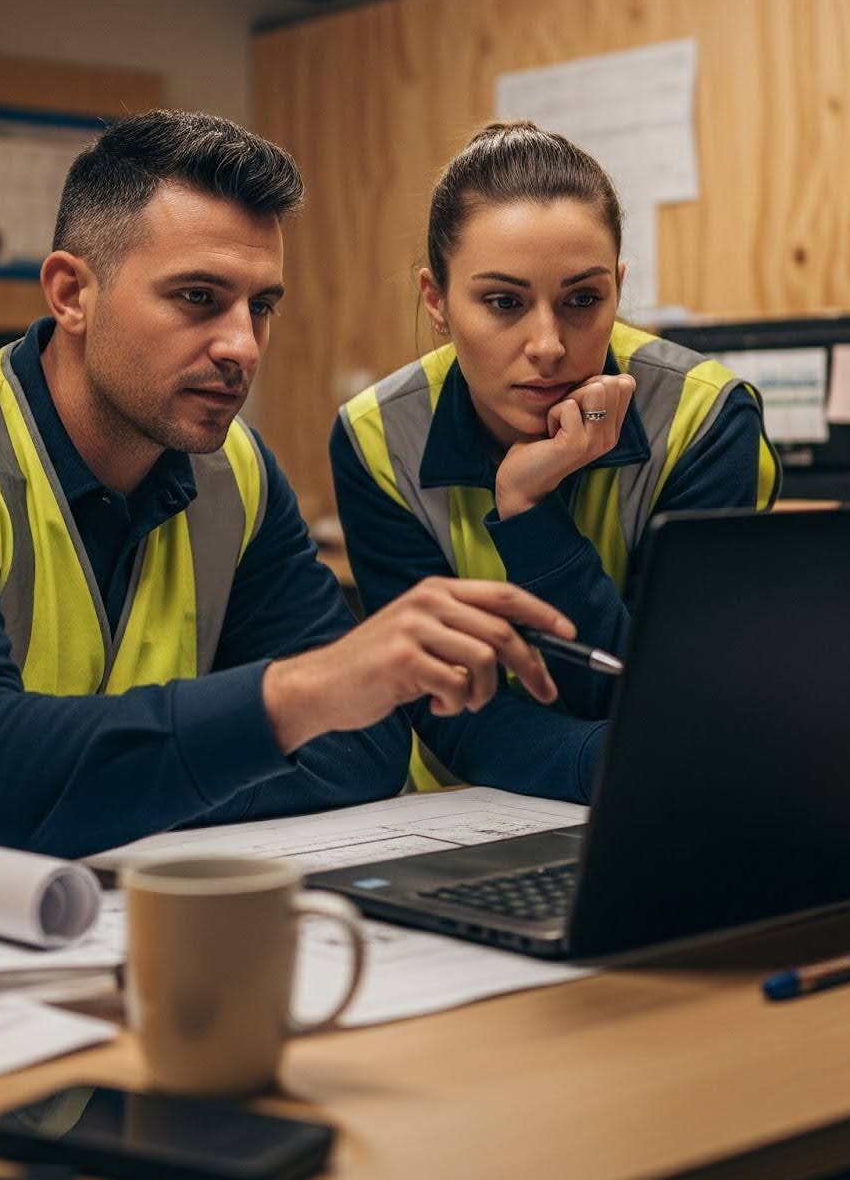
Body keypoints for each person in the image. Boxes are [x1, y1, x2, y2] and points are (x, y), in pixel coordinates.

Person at [0, 111, 573, 857]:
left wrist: (101, 792)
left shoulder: (234, 471)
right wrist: (296, 698)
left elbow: (356, 753)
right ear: (71, 294)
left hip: (64, 925)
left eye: (262, 306)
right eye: (198, 298)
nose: (243, 345)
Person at [331, 121, 780, 799]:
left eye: (582, 300)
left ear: (617, 289)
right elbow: (438, 701)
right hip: (459, 808)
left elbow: (665, 696)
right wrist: (616, 766)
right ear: (437, 301)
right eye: (504, 302)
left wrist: (528, 512)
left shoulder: (704, 418)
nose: (547, 344)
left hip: (665, 803)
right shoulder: (376, 437)